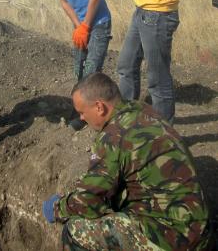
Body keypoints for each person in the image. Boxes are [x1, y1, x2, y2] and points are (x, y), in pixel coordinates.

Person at [42, 73, 211, 251]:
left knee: (75, 230)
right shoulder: (142, 109)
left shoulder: (113, 136)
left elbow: (88, 202)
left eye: (82, 112)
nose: (82, 118)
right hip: (200, 232)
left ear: (99, 107)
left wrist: (56, 208)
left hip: (174, 239)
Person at [39, 0, 112, 130]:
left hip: (98, 22)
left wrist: (86, 26)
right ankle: (82, 109)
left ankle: (92, 116)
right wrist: (78, 26)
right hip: (80, 24)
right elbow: (64, 2)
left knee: (91, 70)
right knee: (78, 69)